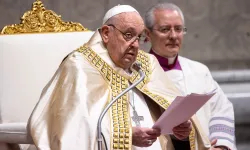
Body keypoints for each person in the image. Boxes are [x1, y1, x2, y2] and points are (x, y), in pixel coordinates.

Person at [27, 4, 211, 150]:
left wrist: (180, 132)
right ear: (106, 33)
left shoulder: (146, 64)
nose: (135, 45)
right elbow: (70, 131)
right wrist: (126, 135)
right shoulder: (80, 65)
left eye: (138, 37)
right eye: (128, 35)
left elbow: (168, 117)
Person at [144, 2, 236, 150]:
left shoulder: (199, 71)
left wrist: (222, 146)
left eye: (179, 29)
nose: (173, 36)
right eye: (165, 29)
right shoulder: (138, 73)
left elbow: (221, 108)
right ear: (148, 34)